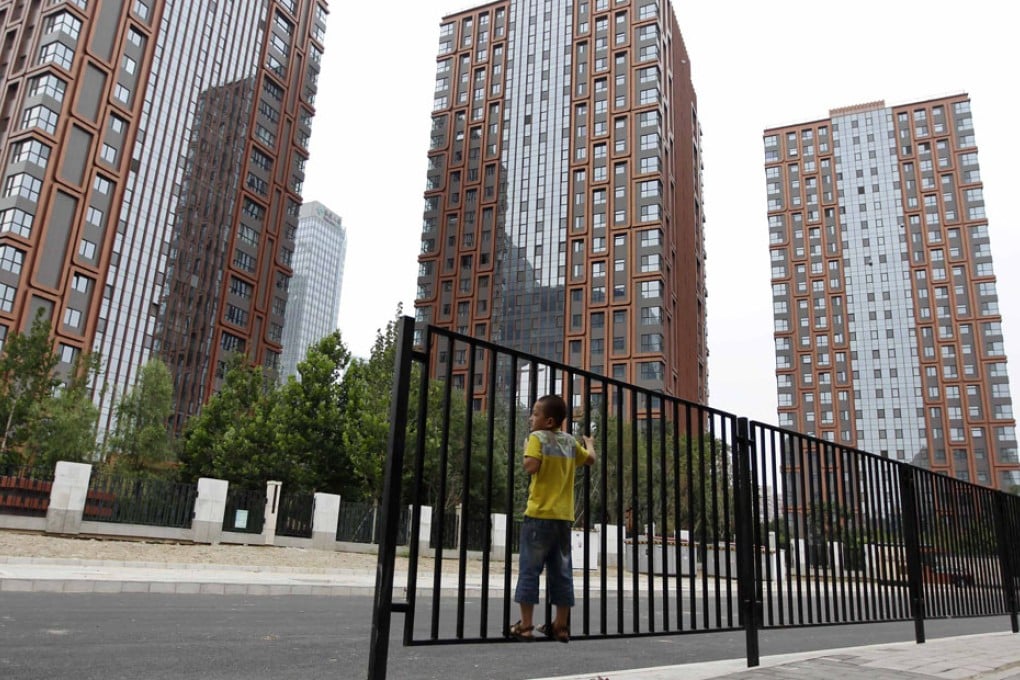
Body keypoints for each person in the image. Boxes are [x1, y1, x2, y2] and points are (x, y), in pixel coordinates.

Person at [509, 394, 596, 643]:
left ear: (548, 421)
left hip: (538, 516)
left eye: (535, 413)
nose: (530, 417)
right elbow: (590, 459)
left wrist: (527, 448)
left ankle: (525, 625)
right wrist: (589, 443)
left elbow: (530, 466)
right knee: (562, 572)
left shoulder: (537, 438)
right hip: (563, 520)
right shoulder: (569, 442)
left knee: (529, 570)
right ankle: (560, 626)